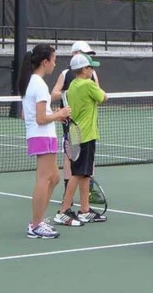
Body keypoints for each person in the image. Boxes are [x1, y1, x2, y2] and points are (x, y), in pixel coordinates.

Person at [18, 44, 71, 239]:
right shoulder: (38, 84)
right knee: (43, 179)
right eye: (54, 60)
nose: (55, 64)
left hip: (44, 135)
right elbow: (39, 119)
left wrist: (54, 115)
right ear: (44, 61)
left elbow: (26, 115)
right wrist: (60, 114)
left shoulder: (31, 82)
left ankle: (39, 220)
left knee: (55, 178)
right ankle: (36, 225)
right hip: (41, 135)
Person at [55, 53, 108, 224]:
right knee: (78, 174)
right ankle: (63, 210)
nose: (93, 70)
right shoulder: (88, 85)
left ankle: (84, 210)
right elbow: (103, 97)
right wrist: (96, 86)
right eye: (91, 67)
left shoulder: (71, 88)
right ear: (84, 70)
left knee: (85, 174)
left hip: (75, 134)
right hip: (85, 135)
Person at [51, 41, 100, 205]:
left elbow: (98, 94)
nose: (89, 58)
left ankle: (89, 193)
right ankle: (68, 192)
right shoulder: (65, 74)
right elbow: (54, 94)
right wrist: (71, 92)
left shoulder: (92, 74)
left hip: (88, 122)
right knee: (70, 155)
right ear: (75, 54)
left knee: (87, 158)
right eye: (85, 53)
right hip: (70, 121)